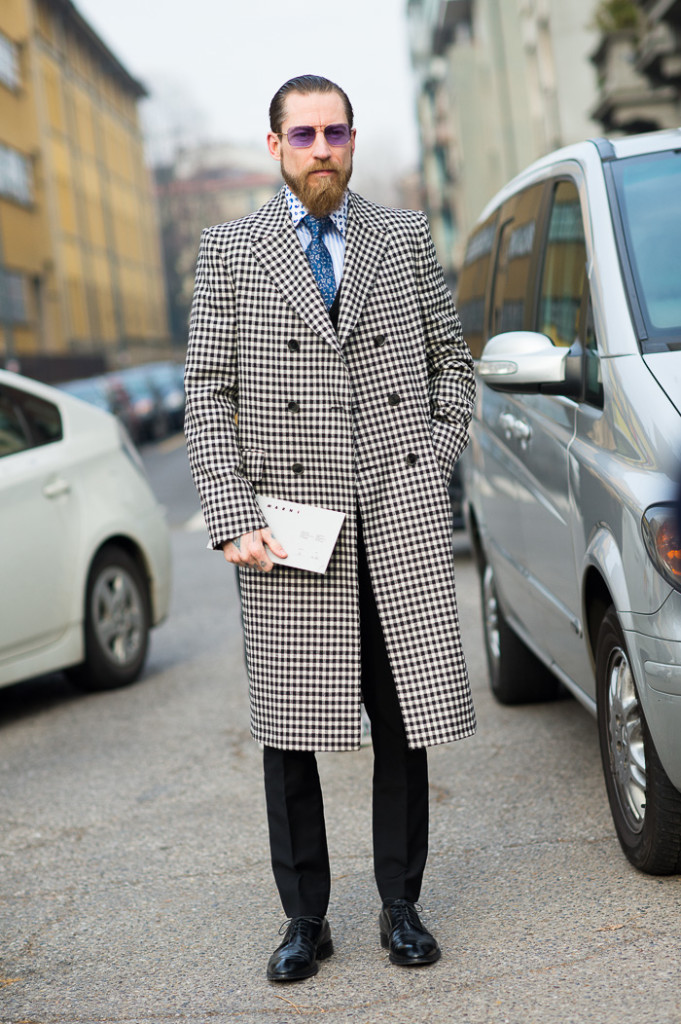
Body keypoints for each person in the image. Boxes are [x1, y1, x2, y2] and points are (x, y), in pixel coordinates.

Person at [184, 74, 476, 982]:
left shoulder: (401, 237)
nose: (321, 149)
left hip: (395, 515)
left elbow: (450, 370)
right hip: (290, 533)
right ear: (274, 145)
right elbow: (207, 395)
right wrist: (231, 514)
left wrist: (428, 463)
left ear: (353, 140)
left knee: (402, 724)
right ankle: (304, 920)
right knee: (290, 735)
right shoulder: (232, 250)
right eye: (303, 134)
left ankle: (401, 906)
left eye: (335, 132)